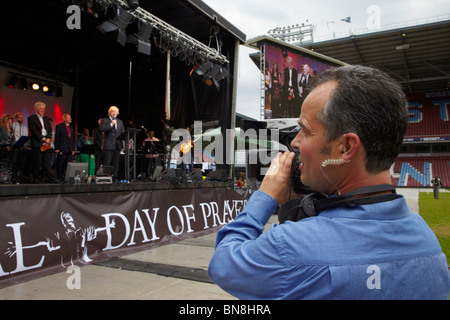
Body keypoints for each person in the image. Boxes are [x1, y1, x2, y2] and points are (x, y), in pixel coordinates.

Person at [208, 65, 450, 300]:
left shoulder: (290, 246)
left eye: (305, 130)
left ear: (345, 147)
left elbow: (223, 263)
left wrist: (264, 197)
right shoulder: (427, 241)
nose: (295, 142)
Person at [27, 102, 58, 183]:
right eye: (41, 109)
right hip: (38, 143)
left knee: (47, 161)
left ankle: (50, 178)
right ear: (36, 109)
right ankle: (36, 178)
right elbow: (33, 131)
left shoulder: (46, 119)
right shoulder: (31, 118)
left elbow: (49, 130)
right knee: (37, 162)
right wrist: (43, 138)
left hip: (46, 144)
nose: (43, 111)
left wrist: (48, 138)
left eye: (43, 109)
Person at [100, 106, 124, 181]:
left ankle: (115, 177)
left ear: (117, 113)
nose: (114, 113)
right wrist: (111, 124)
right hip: (109, 145)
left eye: (115, 111)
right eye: (112, 111)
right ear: (109, 113)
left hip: (117, 145)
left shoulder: (120, 121)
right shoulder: (105, 120)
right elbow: (102, 129)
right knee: (107, 162)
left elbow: (122, 132)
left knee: (116, 163)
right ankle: (105, 177)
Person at [54, 114, 75, 181]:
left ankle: (65, 177)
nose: (70, 119)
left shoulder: (71, 127)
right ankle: (58, 177)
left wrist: (73, 149)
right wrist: (57, 148)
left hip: (69, 149)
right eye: (68, 118)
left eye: (70, 117)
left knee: (67, 165)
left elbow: (72, 139)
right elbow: (57, 138)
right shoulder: (59, 126)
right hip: (62, 148)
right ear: (64, 119)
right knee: (60, 164)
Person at [12, 112, 31, 183]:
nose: (21, 119)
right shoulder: (13, 125)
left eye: (22, 117)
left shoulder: (24, 127)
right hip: (15, 146)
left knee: (21, 163)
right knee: (15, 162)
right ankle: (13, 177)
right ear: (16, 118)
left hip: (22, 147)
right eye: (20, 117)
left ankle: (19, 177)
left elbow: (26, 137)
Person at [0, 114, 15, 183]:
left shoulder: (11, 129)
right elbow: (1, 138)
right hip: (3, 148)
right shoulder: (1, 128)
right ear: (6, 119)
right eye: (10, 119)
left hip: (10, 149)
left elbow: (13, 138)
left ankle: (8, 178)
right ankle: (2, 178)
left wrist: (11, 145)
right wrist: (6, 145)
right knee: (3, 164)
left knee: (9, 164)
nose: (12, 120)